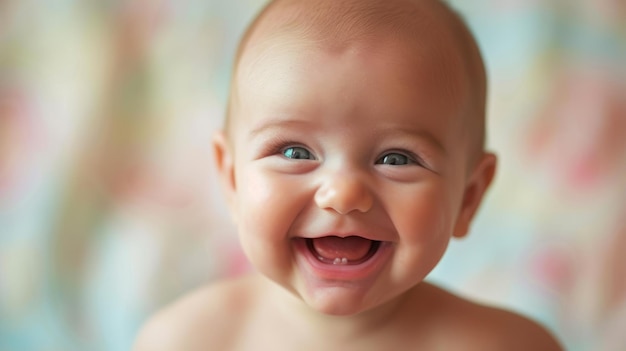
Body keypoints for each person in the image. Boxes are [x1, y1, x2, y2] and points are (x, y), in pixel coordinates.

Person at [133, 0, 563, 349]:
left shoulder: (509, 345)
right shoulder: (187, 340)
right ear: (231, 180)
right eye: (294, 151)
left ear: (468, 197)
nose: (342, 193)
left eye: (396, 159)